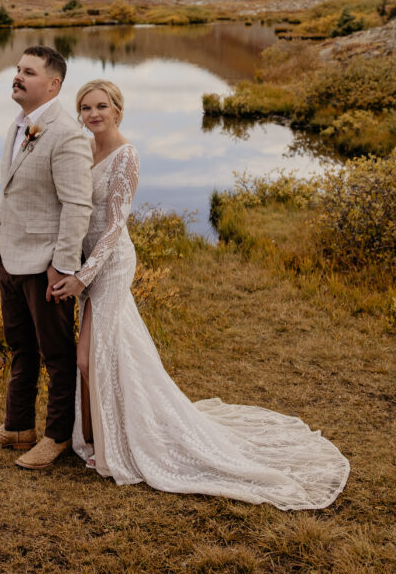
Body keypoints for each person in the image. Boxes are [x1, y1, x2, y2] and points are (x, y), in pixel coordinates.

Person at [50, 80, 350, 509]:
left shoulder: (126, 155)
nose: (92, 114)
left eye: (101, 106)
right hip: (85, 265)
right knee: (109, 349)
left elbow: (116, 227)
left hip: (111, 265)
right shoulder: (85, 149)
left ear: (118, 109)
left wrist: (85, 276)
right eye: (85, 107)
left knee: (87, 355)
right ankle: (97, 435)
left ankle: (112, 445)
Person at [0, 46, 93, 470]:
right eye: (18, 69)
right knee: (19, 346)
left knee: (56, 354)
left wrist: (63, 263)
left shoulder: (67, 133)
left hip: (44, 264)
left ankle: (57, 436)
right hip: (8, 255)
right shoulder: (20, 124)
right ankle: (18, 427)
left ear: (53, 84)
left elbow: (77, 205)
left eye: (29, 72)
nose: (17, 76)